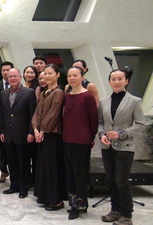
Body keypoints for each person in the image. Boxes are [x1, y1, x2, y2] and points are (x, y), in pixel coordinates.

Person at [99, 69, 145, 225]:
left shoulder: (134, 101)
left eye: (120, 79)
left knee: (122, 182)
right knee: (111, 181)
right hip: (107, 146)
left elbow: (140, 125)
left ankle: (127, 215)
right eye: (113, 79)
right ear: (110, 81)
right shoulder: (103, 101)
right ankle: (115, 210)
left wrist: (122, 133)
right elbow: (100, 123)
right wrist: (102, 135)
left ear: (126, 81)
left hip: (125, 146)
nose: (116, 82)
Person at [62, 66, 98, 220]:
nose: (72, 78)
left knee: (80, 174)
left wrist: (90, 138)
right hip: (67, 139)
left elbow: (94, 121)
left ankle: (79, 205)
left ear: (82, 77)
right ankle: (73, 203)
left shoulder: (88, 96)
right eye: (70, 76)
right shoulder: (67, 95)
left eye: (75, 75)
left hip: (82, 141)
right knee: (70, 173)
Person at [32, 64, 67, 211]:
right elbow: (37, 114)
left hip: (52, 135)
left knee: (52, 168)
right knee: (43, 167)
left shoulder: (58, 92)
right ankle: (45, 196)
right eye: (45, 74)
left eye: (50, 73)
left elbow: (54, 113)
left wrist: (43, 131)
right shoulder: (43, 92)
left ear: (57, 75)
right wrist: (35, 129)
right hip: (41, 134)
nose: (47, 76)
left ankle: (56, 200)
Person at [0, 68, 36, 198]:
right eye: (10, 77)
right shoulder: (3, 93)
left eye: (15, 76)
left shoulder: (29, 92)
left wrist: (31, 132)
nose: (13, 79)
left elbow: (33, 114)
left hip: (23, 134)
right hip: (8, 134)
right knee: (12, 162)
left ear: (20, 77)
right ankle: (13, 186)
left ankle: (24, 188)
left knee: (23, 162)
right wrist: (2, 131)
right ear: (7, 78)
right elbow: (3, 114)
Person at [0, 61, 13, 183]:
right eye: (4, 70)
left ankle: (15, 174)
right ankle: (3, 171)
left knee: (12, 151)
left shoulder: (18, 86)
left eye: (8, 70)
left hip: (14, 124)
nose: (6, 72)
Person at [22, 65, 39, 187]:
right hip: (21, 127)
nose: (29, 75)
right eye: (27, 72)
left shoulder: (36, 89)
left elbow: (34, 111)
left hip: (33, 126)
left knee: (34, 156)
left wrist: (32, 130)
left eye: (32, 72)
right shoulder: (21, 87)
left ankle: (34, 181)